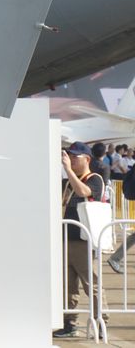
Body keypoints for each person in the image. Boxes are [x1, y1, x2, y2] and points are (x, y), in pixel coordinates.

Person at [56, 142, 108, 339]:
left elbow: (84, 192)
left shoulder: (95, 178)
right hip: (67, 236)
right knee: (68, 284)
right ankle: (69, 322)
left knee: (91, 282)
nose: (70, 160)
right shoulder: (68, 180)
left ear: (87, 159)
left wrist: (68, 170)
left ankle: (101, 320)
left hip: (84, 239)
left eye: (74, 157)